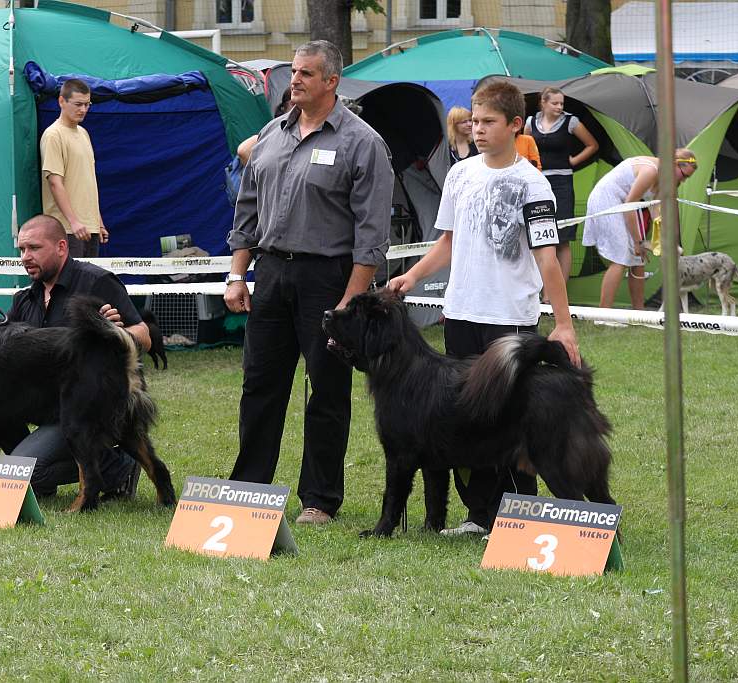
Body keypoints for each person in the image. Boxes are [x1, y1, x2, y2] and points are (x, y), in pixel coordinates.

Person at [388, 80, 580, 536]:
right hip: (461, 314)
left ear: (516, 125)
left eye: (489, 122)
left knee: (514, 422)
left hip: (510, 319)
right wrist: (412, 276)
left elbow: (547, 259)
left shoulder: (533, 184)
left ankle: (521, 518)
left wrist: (564, 325)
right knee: (463, 420)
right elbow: (448, 242)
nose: (478, 129)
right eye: (474, 121)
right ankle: (479, 515)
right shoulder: (460, 175)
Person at [224, 40, 394, 525]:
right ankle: (249, 486)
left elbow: (371, 235)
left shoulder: (363, 143)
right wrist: (238, 274)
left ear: (331, 82)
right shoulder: (270, 136)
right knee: (260, 384)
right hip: (272, 273)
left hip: (330, 277)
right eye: (294, 72)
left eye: (305, 74)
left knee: (327, 390)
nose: (294, 80)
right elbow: (248, 212)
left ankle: (319, 499)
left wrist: (350, 301)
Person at [0, 215, 150, 499]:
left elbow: (145, 336)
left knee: (26, 476)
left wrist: (117, 332)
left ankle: (119, 466)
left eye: (34, 248)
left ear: (62, 247)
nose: (25, 257)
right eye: (21, 250)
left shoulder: (97, 282)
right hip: (49, 405)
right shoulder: (24, 299)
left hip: (92, 399)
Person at [583, 150, 698, 309]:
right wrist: (638, 241)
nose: (684, 180)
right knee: (620, 258)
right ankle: (603, 315)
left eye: (687, 178)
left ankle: (639, 312)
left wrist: (660, 238)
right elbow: (630, 205)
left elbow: (655, 209)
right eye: (684, 175)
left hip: (624, 205)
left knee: (639, 259)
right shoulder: (651, 171)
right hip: (606, 201)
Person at [525, 87, 599, 284]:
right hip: (538, 183)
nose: (559, 107)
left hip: (562, 183)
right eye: (555, 103)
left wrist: (574, 161)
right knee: (540, 236)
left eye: (561, 104)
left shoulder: (571, 121)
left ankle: (561, 290)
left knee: (563, 238)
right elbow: (524, 147)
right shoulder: (530, 123)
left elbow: (592, 145)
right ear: (543, 102)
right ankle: (541, 288)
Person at [41, 78, 108, 259]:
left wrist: (98, 222)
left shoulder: (84, 134)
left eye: (87, 104)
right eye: (78, 104)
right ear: (61, 101)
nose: (83, 110)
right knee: (71, 285)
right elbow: (55, 183)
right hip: (68, 229)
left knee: (89, 285)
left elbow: (88, 182)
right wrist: (74, 221)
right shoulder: (53, 135)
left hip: (89, 227)